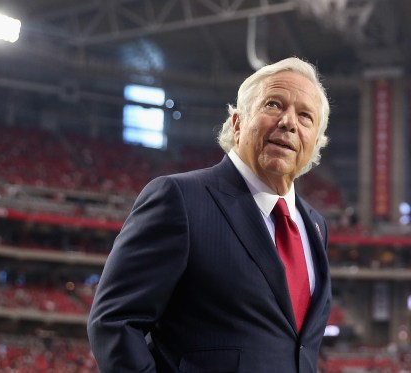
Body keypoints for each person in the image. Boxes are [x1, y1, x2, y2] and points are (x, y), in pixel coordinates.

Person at [87, 57, 332, 373]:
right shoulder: (180, 199)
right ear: (237, 122)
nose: (288, 122)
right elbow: (114, 322)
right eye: (273, 105)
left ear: (315, 143)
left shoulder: (315, 226)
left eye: (305, 116)